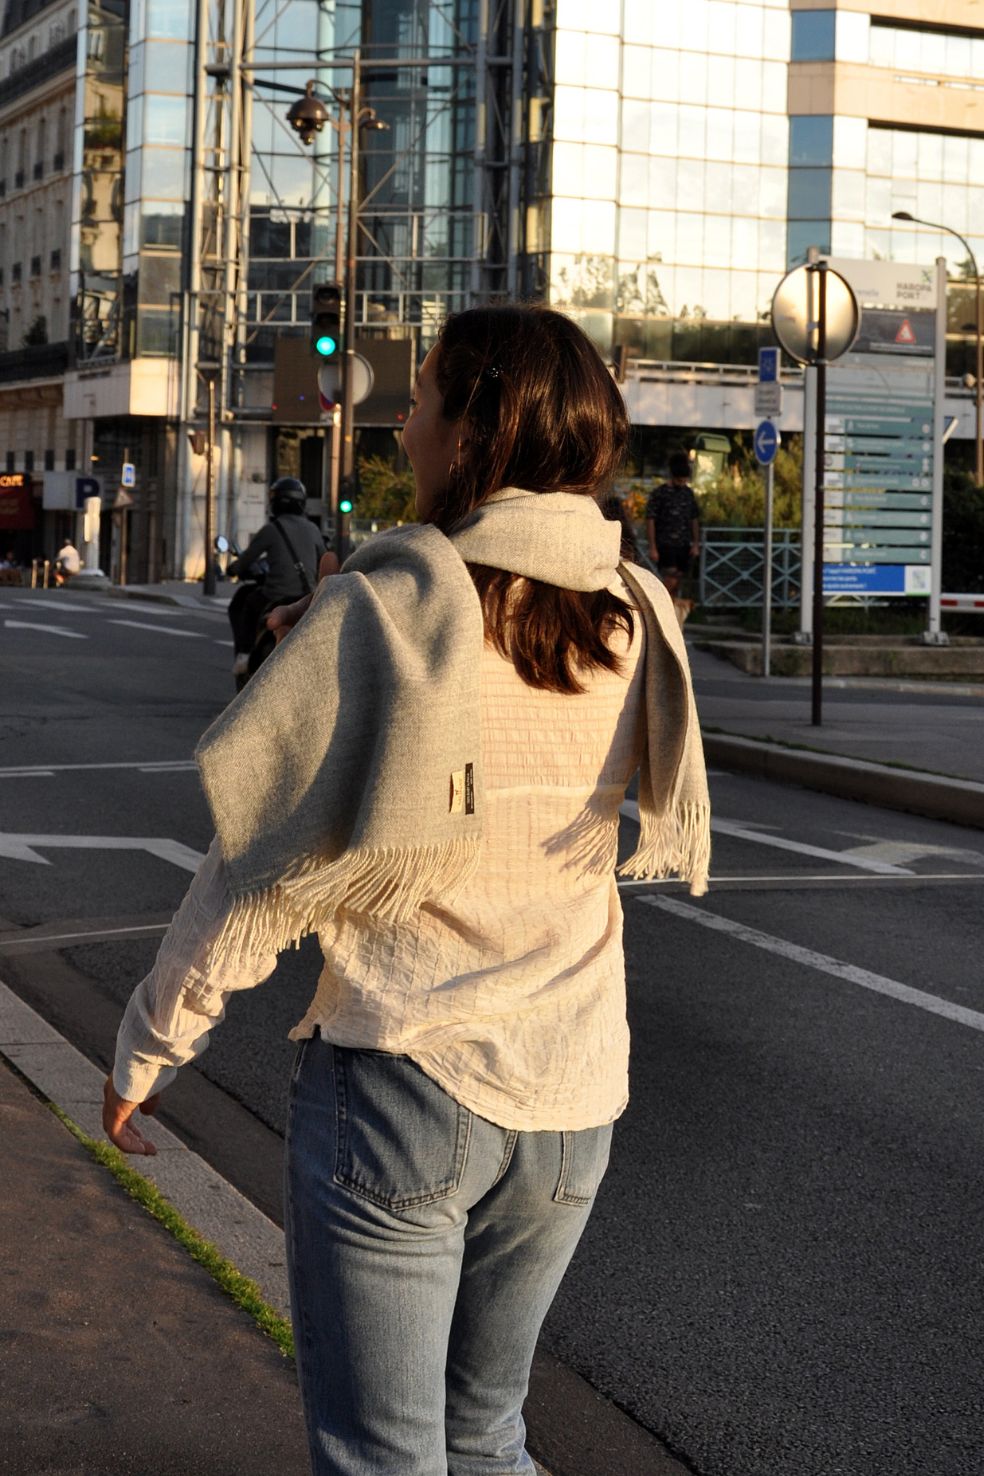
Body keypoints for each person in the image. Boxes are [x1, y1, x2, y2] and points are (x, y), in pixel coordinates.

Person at [104, 304, 710, 1476]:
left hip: (402, 1078)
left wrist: (149, 1047)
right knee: (487, 1437)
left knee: (382, 1455)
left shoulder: (385, 606)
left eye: (423, 398)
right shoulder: (639, 610)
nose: (403, 422)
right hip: (573, 1095)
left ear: (478, 427)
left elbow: (260, 871)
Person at [226, 477, 326, 677]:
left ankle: (244, 655)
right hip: (306, 595)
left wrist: (233, 569)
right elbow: (324, 558)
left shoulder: (272, 529)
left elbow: (247, 559)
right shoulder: (314, 529)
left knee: (244, 604)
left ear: (275, 502)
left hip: (275, 596)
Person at [645, 451, 701, 597]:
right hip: (665, 544)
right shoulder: (660, 493)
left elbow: (694, 519)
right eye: (679, 481)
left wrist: (696, 543)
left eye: (684, 481)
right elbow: (650, 519)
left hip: (684, 545)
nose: (682, 484)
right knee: (670, 579)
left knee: (678, 581)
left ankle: (673, 611)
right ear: (673, 476)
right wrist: (652, 547)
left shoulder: (688, 493)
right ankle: (660, 605)